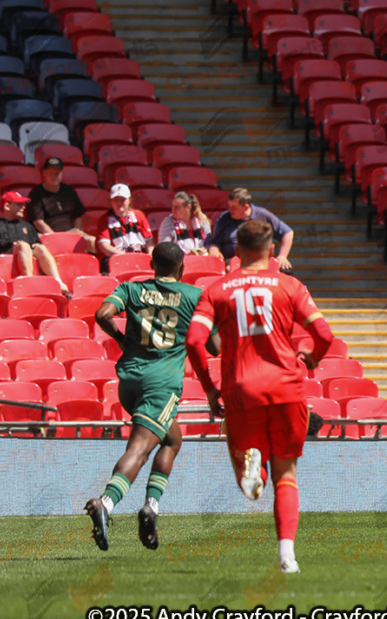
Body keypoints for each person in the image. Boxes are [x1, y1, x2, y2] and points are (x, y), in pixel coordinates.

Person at [186, 219, 333, 573]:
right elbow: (324, 335)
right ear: (270, 250)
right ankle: (287, 556)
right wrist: (311, 358)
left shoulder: (216, 289)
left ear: (237, 250)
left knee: (252, 476)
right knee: (287, 473)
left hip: (240, 389)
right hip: (286, 387)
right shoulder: (290, 286)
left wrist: (209, 387)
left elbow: (193, 341)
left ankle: (254, 470)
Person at [85, 243, 221, 551]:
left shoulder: (131, 289)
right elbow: (214, 347)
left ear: (152, 264)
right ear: (181, 267)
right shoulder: (193, 297)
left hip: (129, 379)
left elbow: (103, 313)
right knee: (140, 448)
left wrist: (122, 339)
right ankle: (106, 503)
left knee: (172, 439)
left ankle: (151, 507)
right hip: (161, 382)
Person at [0, 191, 71, 295]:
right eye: (19, 204)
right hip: (5, 258)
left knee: (41, 248)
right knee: (23, 245)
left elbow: (35, 242)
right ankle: (29, 281)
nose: (23, 207)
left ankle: (57, 282)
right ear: (7, 206)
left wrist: (36, 245)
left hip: (26, 252)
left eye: (23, 204)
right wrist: (12, 244)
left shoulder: (27, 226)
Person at [205, 188, 294, 272]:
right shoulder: (224, 218)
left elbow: (288, 233)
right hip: (231, 262)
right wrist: (214, 250)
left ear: (246, 207)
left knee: (286, 270)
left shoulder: (263, 215)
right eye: (229, 206)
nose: (230, 210)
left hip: (260, 262)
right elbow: (214, 242)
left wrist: (282, 256)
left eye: (234, 207)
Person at [26, 158, 93, 253]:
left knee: (93, 242)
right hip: (47, 234)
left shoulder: (68, 190)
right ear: (44, 173)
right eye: (51, 172)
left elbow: (78, 215)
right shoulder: (36, 193)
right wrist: (56, 238)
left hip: (70, 232)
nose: (54, 176)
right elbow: (38, 222)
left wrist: (76, 233)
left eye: (57, 173)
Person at [96, 184, 154, 273]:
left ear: (129, 200)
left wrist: (148, 256)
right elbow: (105, 247)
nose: (119, 203)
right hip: (118, 259)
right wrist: (127, 258)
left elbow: (149, 242)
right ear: (110, 201)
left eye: (122, 200)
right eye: (116, 200)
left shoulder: (139, 215)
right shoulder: (104, 219)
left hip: (140, 257)